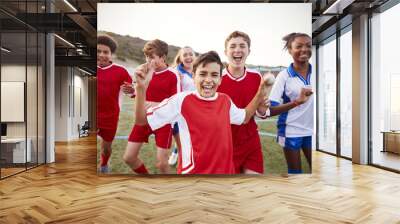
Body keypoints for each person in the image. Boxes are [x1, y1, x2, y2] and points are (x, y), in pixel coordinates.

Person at [134, 51, 267, 174]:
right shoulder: (181, 101)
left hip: (225, 174)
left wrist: (260, 93)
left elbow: (244, 117)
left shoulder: (225, 100)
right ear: (193, 76)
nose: (208, 79)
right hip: (194, 175)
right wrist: (141, 88)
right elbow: (141, 121)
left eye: (214, 75)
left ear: (220, 79)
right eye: (203, 74)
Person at [123, 39, 181, 174]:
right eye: (146, 56)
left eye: (151, 57)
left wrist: (154, 105)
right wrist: (133, 92)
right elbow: (141, 95)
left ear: (163, 57)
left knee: (162, 164)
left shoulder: (173, 75)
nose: (148, 60)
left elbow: (176, 103)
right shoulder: (143, 70)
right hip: (144, 119)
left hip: (164, 122)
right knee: (129, 158)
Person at [217, 31, 270, 174]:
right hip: (224, 146)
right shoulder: (217, 79)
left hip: (250, 141)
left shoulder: (256, 77)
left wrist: (263, 109)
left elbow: (260, 112)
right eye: (233, 46)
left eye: (242, 46)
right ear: (226, 52)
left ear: (248, 51)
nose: (237, 50)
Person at [268, 32, 314, 174]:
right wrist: (296, 102)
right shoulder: (284, 76)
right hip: (290, 131)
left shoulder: (318, 71)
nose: (304, 49)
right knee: (296, 173)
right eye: (298, 46)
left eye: (308, 45)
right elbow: (271, 109)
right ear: (290, 50)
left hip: (313, 131)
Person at [97, 34, 134, 173]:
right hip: (89, 117)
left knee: (106, 148)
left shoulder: (121, 71)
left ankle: (104, 164)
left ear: (111, 54)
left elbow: (132, 93)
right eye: (98, 51)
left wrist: (132, 90)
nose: (102, 55)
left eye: (105, 52)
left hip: (110, 118)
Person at [168, 46, 196, 166]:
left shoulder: (199, 69)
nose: (188, 57)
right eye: (185, 55)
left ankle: (186, 154)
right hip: (181, 109)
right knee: (181, 135)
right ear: (180, 57)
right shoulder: (175, 72)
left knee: (192, 135)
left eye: (191, 54)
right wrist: (174, 79)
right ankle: (176, 152)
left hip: (196, 107)